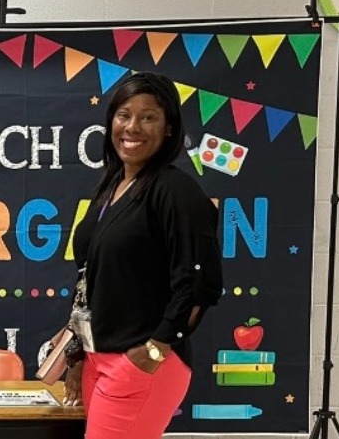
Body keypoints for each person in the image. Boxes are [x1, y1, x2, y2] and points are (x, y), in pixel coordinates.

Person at [63, 71, 223, 438]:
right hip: (99, 358)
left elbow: (200, 283)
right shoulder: (113, 186)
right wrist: (77, 353)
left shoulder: (176, 192)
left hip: (139, 362)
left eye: (148, 117)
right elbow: (88, 281)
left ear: (169, 128)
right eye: (123, 115)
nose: (132, 127)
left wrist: (151, 354)